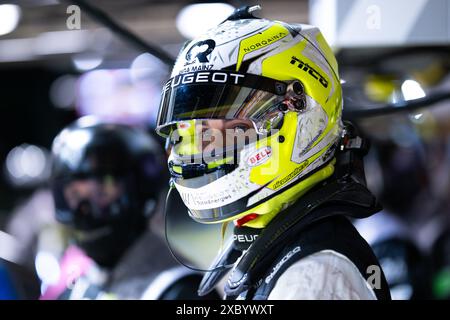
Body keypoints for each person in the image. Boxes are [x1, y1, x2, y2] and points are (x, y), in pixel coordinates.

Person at [155, 6, 391, 300]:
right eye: (194, 133)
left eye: (224, 129)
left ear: (300, 109)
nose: (201, 148)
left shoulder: (315, 274)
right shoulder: (271, 237)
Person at [41, 117, 218, 300]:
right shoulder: (80, 285)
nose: (83, 212)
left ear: (141, 190)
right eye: (75, 196)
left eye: (100, 194)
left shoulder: (182, 293)